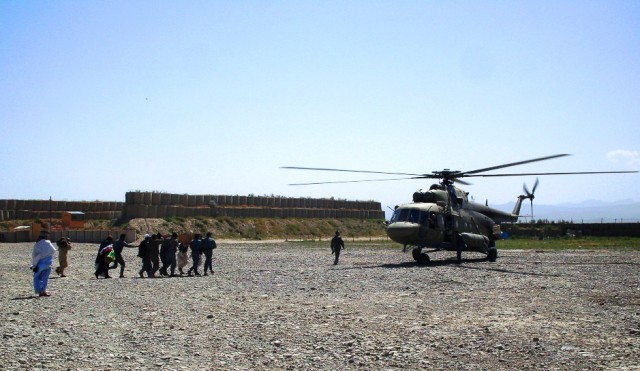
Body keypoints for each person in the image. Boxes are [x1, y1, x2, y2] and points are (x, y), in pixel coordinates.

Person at [31, 230, 56, 297]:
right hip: (48, 262)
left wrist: (34, 265)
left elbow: (34, 256)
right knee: (45, 277)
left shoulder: (37, 244)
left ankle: (38, 291)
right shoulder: (48, 243)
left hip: (40, 263)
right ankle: (44, 291)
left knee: (37, 277)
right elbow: (53, 250)